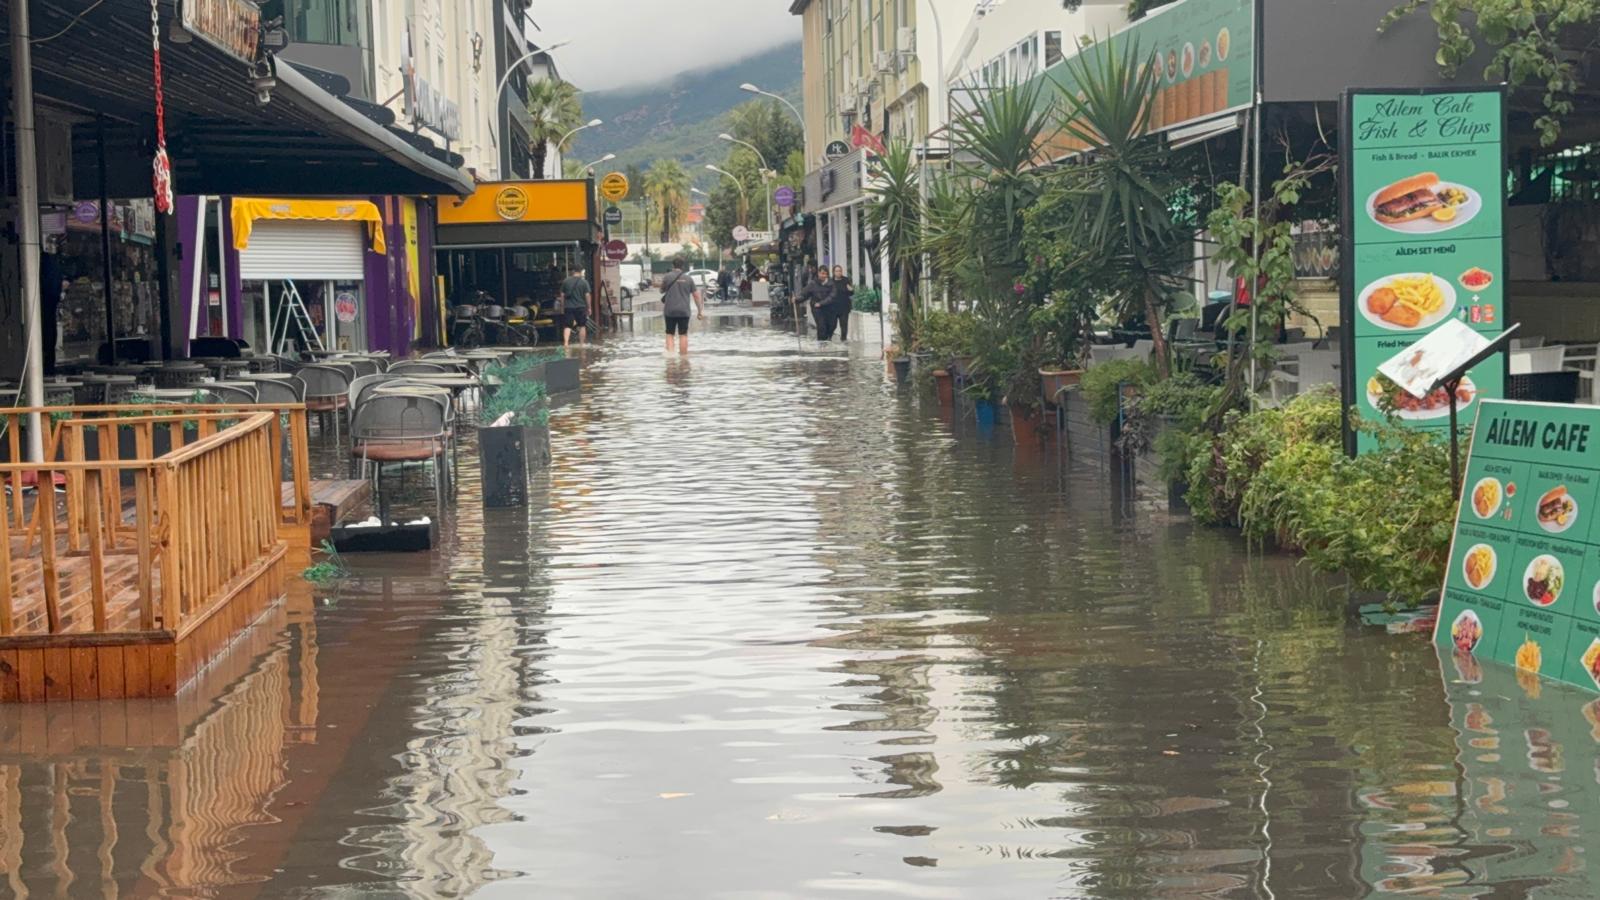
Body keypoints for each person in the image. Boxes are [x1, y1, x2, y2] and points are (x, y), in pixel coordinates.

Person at [659, 257, 705, 355]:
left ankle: (670, 357)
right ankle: (683, 358)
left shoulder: (667, 277)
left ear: (673, 265)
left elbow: (661, 290)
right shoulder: (689, 278)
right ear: (682, 266)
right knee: (683, 334)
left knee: (670, 333)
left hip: (670, 311)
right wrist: (700, 311)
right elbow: (696, 296)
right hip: (684, 311)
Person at [559, 264, 592, 348]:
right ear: (581, 271)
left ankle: (566, 343)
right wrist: (589, 307)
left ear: (573, 271)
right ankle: (581, 344)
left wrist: (562, 307)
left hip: (568, 307)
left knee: (567, 326)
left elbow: (562, 295)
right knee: (582, 325)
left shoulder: (566, 281)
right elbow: (587, 296)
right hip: (581, 307)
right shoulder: (584, 282)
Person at [799, 266, 833, 340]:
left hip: (828, 307)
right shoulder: (813, 284)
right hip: (816, 308)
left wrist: (822, 303)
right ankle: (821, 344)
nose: (823, 276)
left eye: (825, 274)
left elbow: (832, 296)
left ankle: (827, 342)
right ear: (818, 273)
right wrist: (796, 299)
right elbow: (804, 295)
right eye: (822, 273)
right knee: (821, 326)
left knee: (830, 326)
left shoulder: (831, 284)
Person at [828, 265, 854, 343]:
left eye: (840, 271)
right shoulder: (830, 281)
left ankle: (843, 340)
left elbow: (851, 293)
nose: (838, 272)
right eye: (837, 271)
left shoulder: (845, 280)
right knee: (833, 325)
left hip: (844, 307)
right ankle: (828, 338)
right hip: (833, 308)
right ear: (833, 272)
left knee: (844, 325)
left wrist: (851, 290)